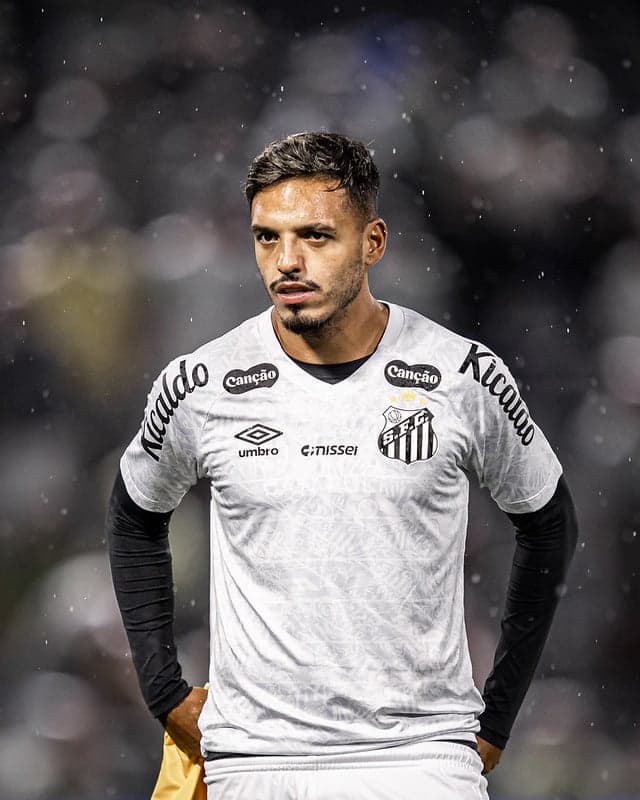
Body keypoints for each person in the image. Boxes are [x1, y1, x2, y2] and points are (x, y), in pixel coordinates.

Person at [107, 131, 578, 799]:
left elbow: (550, 524)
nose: (287, 261)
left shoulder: (464, 375)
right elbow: (134, 515)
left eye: (316, 236)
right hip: (254, 762)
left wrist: (496, 717)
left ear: (373, 243)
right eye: (268, 238)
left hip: (421, 763)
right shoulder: (200, 383)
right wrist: (163, 689)